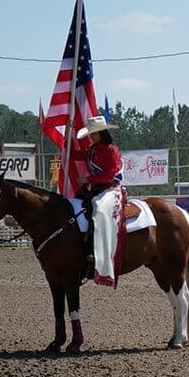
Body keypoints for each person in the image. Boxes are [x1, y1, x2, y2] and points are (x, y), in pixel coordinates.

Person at [74, 116, 125, 288]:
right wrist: (66, 140)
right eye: (90, 134)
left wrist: (87, 179)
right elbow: (76, 154)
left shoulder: (111, 150)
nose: (91, 137)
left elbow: (110, 174)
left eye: (94, 134)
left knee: (101, 211)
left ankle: (103, 255)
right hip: (95, 188)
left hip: (110, 188)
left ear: (102, 133)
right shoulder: (92, 150)